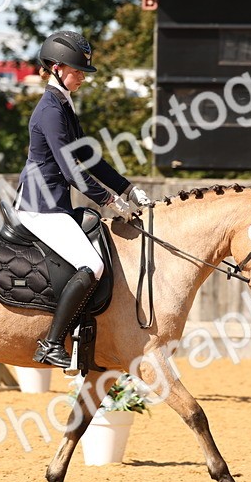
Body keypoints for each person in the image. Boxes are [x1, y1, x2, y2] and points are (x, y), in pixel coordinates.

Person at [14, 30, 151, 372]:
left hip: (55, 203)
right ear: (57, 67)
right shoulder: (50, 110)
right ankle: (50, 343)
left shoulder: (64, 106)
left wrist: (128, 188)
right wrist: (111, 201)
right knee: (93, 265)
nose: (81, 78)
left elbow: (89, 157)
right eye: (76, 71)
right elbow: (73, 171)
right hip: (40, 207)